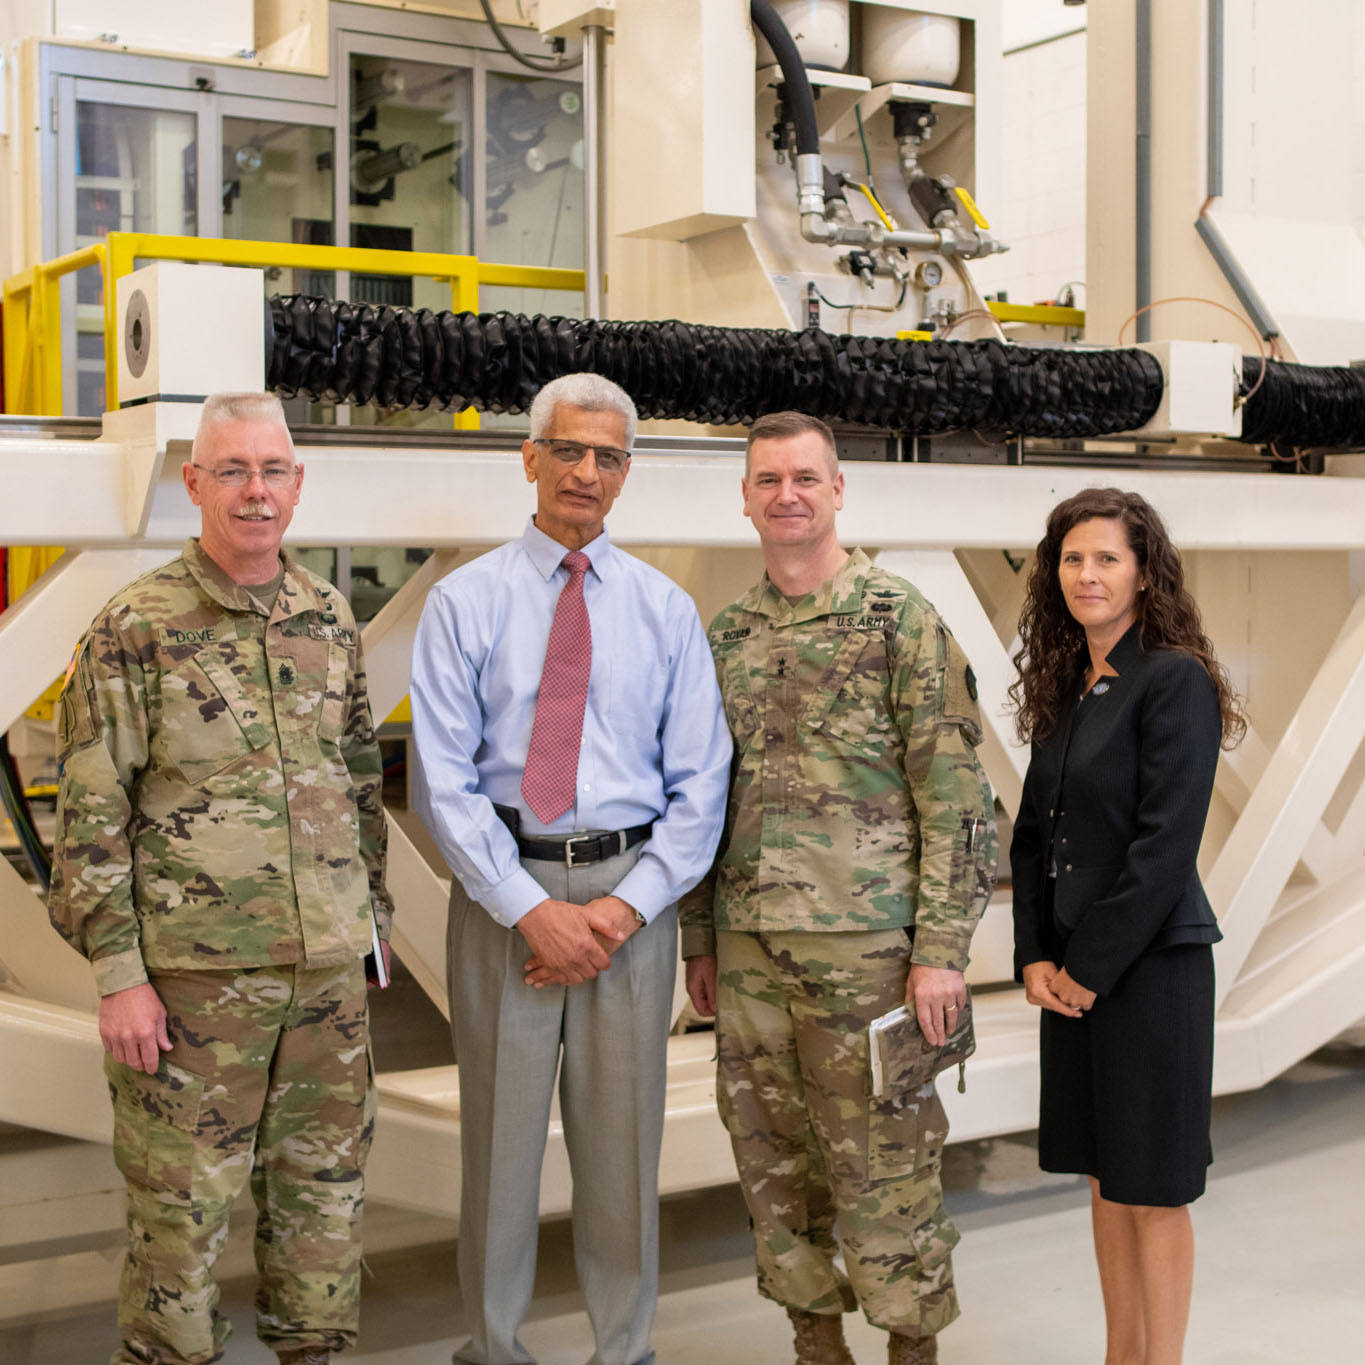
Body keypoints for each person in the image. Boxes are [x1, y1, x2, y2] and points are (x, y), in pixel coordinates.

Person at [48, 391, 393, 1365]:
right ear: (194, 482)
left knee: (324, 1198)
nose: (255, 491)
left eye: (272, 470)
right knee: (180, 1218)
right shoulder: (137, 627)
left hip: (326, 980)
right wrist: (119, 975)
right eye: (232, 470)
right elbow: (90, 811)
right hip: (195, 988)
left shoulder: (327, 617)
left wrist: (370, 928)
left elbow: (359, 781)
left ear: (297, 483)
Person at [409, 371, 731, 1365]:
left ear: (626, 474)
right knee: (500, 1152)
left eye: (607, 456)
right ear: (530, 458)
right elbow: (442, 780)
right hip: (505, 898)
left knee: (622, 1152)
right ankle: (493, 1347)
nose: (585, 472)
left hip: (630, 902)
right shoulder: (463, 604)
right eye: (569, 450)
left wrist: (623, 914)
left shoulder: (665, 611)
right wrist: (528, 910)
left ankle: (622, 1349)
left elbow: (702, 781)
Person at [680, 411, 998, 1365]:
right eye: (768, 479)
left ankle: (910, 1348)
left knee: (886, 1167)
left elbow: (957, 798)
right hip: (746, 957)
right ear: (744, 497)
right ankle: (814, 1346)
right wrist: (700, 935)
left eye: (805, 478)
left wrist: (941, 952)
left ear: (837, 489)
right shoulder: (726, 635)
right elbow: (697, 796)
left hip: (872, 955)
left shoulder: (898, 619)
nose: (787, 495)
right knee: (772, 1162)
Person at [1009, 487, 1245, 1365]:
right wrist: (1034, 954)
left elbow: (1160, 847)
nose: (1086, 574)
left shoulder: (1172, 678)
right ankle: (1121, 1355)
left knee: (1152, 1190)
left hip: (1148, 973)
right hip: (1073, 976)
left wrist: (1087, 967)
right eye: (1072, 558)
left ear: (1145, 572)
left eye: (1106, 557)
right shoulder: (1070, 689)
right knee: (1106, 1181)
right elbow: (1033, 838)